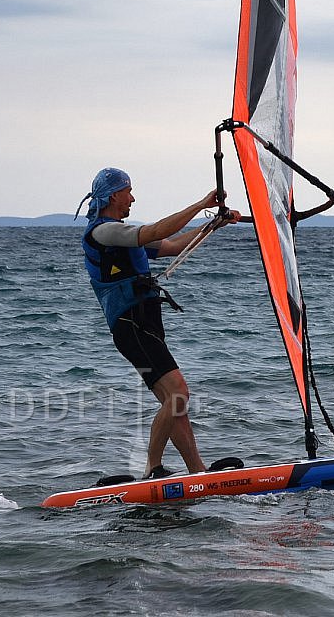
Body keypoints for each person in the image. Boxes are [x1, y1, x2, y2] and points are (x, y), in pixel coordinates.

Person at [77, 167, 241, 480]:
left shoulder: (122, 237)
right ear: (114, 195)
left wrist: (212, 225)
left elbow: (173, 246)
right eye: (129, 192)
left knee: (173, 404)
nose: (132, 198)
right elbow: (152, 233)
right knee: (178, 393)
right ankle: (152, 468)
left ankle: (197, 472)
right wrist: (199, 204)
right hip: (132, 325)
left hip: (145, 325)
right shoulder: (103, 232)